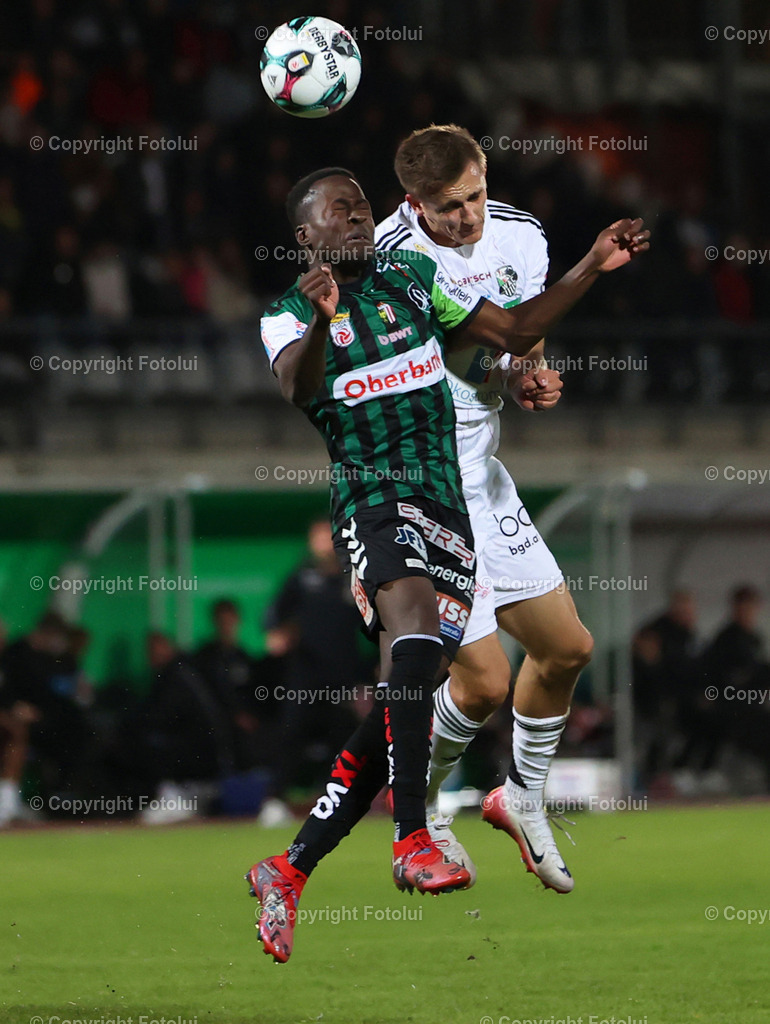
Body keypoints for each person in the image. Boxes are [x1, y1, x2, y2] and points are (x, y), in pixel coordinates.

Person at [250, 165, 648, 962]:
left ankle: (288, 869)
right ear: (307, 238)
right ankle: (411, 838)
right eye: (339, 211)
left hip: (447, 506)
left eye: (361, 206)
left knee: (409, 688)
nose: (357, 218)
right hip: (374, 499)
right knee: (420, 648)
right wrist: (327, 318)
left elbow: (503, 336)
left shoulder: (410, 277)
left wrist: (586, 270)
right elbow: (299, 389)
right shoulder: (289, 313)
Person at [376, 125, 634, 891]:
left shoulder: (520, 234)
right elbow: (501, 332)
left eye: (476, 196)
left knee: (566, 649)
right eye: (448, 206)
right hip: (420, 481)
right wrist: (593, 264)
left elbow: (527, 338)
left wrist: (532, 378)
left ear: (488, 175)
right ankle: (419, 819)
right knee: (484, 683)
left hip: (481, 473)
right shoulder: (399, 254)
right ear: (413, 203)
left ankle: (520, 797)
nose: (466, 218)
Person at [259, 518, 370, 827]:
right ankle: (274, 800)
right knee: (291, 733)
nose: (323, 543)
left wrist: (365, 678)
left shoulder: (353, 576)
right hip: (305, 673)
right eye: (317, 537)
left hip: (345, 676)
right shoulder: (300, 577)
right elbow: (272, 614)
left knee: (345, 739)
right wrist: (276, 633)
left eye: (328, 537)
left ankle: (338, 801)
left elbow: (373, 623)